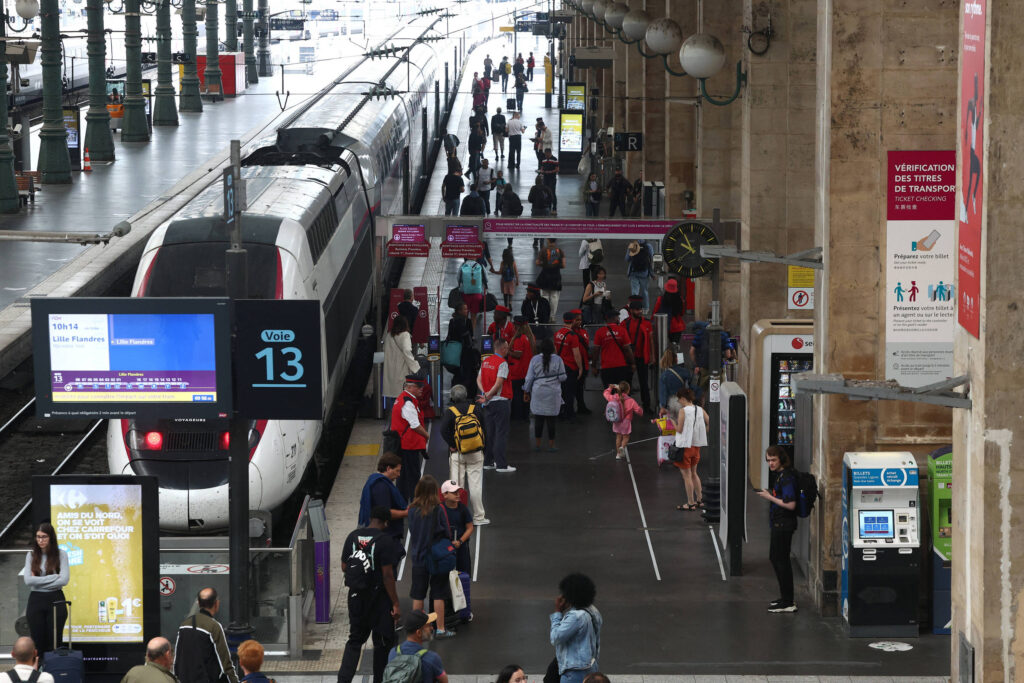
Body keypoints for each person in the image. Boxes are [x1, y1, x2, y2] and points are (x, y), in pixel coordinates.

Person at [338, 507, 402, 683]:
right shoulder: (385, 541)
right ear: (386, 522)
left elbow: (344, 566)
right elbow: (388, 575)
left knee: (354, 642)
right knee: (381, 644)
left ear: (371, 517)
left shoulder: (353, 536)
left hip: (356, 598)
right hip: (379, 600)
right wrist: (395, 603)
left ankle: (343, 681)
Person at [406, 477, 456, 638]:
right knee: (439, 593)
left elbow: (413, 532)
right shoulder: (438, 509)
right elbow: (446, 532)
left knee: (418, 594)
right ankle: (440, 629)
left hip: (418, 557)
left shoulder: (412, 510)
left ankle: (417, 629)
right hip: (436, 557)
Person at [757, 445, 799, 613]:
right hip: (779, 524)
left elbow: (790, 504)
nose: (770, 464)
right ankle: (785, 598)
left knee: (781, 561)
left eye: (773, 460)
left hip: (784, 525)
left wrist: (769, 497)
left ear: (781, 459)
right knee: (777, 559)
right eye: (768, 460)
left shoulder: (786, 478)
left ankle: (788, 601)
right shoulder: (782, 476)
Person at [440, 384, 489, 525]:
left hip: (458, 454)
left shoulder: (451, 412)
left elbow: (443, 430)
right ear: (466, 395)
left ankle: (458, 517)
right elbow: (485, 430)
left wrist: (452, 445)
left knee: (456, 486)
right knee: (475, 486)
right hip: (475, 453)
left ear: (452, 397)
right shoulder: (476, 409)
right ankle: (479, 517)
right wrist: (483, 449)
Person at [174, 587, 238, 683]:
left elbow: (177, 660)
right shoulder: (214, 626)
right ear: (216, 603)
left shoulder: (184, 625)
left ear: (199, 604)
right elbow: (225, 663)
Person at [24, 522, 69, 656]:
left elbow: (64, 580)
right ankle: (39, 673)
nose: (40, 540)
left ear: (51, 538)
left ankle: (54, 673)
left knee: (55, 642)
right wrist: (54, 577)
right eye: (38, 537)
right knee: (37, 642)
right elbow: (28, 581)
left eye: (44, 537)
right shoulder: (31, 555)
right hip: (36, 600)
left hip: (56, 598)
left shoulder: (61, 554)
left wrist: (38, 582)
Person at [550, 573, 602, 683]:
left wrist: (557, 612)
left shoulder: (576, 616)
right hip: (590, 667)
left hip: (574, 673)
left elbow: (555, 638)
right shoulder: (594, 611)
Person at [389, 376, 430, 504]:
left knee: (403, 475)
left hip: (405, 444)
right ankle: (415, 501)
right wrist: (427, 435)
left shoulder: (404, 398)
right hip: (408, 445)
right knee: (413, 475)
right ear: (410, 387)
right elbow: (415, 425)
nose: (422, 390)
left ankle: (402, 500)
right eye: (419, 387)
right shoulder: (407, 402)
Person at [478, 338, 515, 473]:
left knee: (490, 433)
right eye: (506, 348)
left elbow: (479, 379)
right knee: (501, 433)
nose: (508, 350)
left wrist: (485, 394)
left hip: (488, 404)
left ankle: (488, 462)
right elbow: (499, 383)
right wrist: (488, 395)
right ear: (503, 349)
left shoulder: (486, 361)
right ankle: (501, 465)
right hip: (501, 402)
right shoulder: (502, 363)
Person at [523, 337, 567, 451]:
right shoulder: (558, 360)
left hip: (538, 392)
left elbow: (529, 378)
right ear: (553, 348)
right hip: (553, 393)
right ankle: (551, 446)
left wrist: (526, 391)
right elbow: (563, 377)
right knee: (551, 420)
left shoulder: (534, 360)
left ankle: (537, 445)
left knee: (539, 419)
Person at [358, 453, 409, 550]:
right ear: (388, 468)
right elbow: (384, 513)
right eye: (397, 471)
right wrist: (406, 513)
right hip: (384, 537)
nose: (398, 475)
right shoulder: (381, 486)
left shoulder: (373, 481)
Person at [386, 611, 448, 683]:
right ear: (419, 633)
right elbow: (444, 681)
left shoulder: (393, 653)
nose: (432, 628)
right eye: (428, 626)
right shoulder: (432, 658)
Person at [673, 388, 708, 512]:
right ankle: (700, 500)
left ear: (683, 398)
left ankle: (690, 503)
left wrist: (672, 422)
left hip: (685, 448)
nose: (679, 402)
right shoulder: (700, 409)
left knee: (686, 476)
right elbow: (709, 421)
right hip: (696, 447)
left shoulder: (683, 411)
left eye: (679, 399)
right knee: (694, 474)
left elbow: (680, 429)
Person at [622, 299, 653, 414]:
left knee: (644, 383)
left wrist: (652, 357)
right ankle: (626, 405)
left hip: (641, 357)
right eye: (637, 310)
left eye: (640, 309)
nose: (639, 311)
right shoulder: (624, 323)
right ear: (631, 311)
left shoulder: (647, 323)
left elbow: (650, 341)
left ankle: (646, 405)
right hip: (629, 358)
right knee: (626, 383)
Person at [554, 311, 586, 420]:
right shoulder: (573, 336)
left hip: (560, 366)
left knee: (561, 391)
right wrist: (581, 368)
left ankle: (560, 413)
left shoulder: (558, 333)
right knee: (570, 392)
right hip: (570, 367)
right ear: (572, 321)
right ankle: (570, 414)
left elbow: (555, 350)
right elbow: (576, 354)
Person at [591, 309, 635, 386]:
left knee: (610, 394)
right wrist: (632, 363)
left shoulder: (600, 332)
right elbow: (627, 349)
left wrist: (594, 366)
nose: (619, 319)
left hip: (606, 368)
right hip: (621, 367)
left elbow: (596, 350)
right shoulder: (622, 331)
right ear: (613, 318)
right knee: (621, 393)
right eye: (617, 317)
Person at [384, 316, 420, 408]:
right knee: (403, 397)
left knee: (394, 398)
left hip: (390, 371)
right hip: (401, 370)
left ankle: (394, 418)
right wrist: (415, 366)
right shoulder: (405, 335)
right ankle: (402, 420)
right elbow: (407, 351)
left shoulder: (389, 335)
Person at [440, 480, 475, 575]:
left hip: (461, 548)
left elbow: (470, 527)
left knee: (463, 576)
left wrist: (460, 541)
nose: (457, 494)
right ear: (445, 494)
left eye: (458, 492)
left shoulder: (463, 509)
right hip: (445, 548)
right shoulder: (439, 510)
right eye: (454, 492)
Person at [603, 381, 643, 460]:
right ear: (628, 390)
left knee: (618, 437)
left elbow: (605, 394)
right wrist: (641, 411)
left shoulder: (613, 397)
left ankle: (618, 454)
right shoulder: (631, 400)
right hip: (626, 421)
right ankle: (622, 447)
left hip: (617, 420)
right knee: (626, 437)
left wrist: (610, 388)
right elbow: (638, 410)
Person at [507, 315, 535, 420]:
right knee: (526, 393)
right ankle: (525, 415)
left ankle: (517, 416)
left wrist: (507, 351)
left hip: (517, 371)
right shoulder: (530, 337)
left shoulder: (519, 339)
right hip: (527, 371)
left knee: (517, 395)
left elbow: (518, 354)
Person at [446, 302, 478, 390]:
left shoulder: (452, 321)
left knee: (458, 373)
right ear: (459, 311)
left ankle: (456, 392)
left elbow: (449, 336)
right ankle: (467, 392)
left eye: (467, 309)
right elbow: (470, 336)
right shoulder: (467, 322)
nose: (467, 311)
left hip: (455, 352)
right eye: (465, 309)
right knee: (467, 372)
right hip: (465, 352)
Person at [657, 348, 693, 416]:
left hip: (670, 403)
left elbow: (663, 393)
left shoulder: (664, 376)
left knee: (671, 425)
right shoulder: (685, 372)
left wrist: (662, 407)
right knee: (682, 424)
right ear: (676, 359)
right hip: (682, 401)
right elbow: (690, 386)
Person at [650, 278, 685, 342]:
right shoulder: (680, 300)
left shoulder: (660, 299)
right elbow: (682, 313)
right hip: (677, 327)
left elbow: (654, 313)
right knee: (675, 348)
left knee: (663, 348)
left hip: (663, 326)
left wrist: (651, 324)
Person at [536, 238, 565, 314]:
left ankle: (545, 314)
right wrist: (556, 265)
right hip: (556, 276)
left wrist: (545, 264)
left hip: (545, 275)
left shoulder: (543, 250)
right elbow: (563, 265)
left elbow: (537, 262)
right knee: (554, 296)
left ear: (548, 240)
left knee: (544, 296)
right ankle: (552, 316)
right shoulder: (560, 251)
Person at [625, 239, 654, 311]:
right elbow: (651, 259)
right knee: (645, 291)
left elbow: (627, 259)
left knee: (635, 292)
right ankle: (645, 309)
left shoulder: (632, 245)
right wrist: (652, 273)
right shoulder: (648, 246)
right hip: (645, 272)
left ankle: (635, 308)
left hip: (633, 272)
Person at [458, 257, 486, 324]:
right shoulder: (480, 266)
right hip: (477, 294)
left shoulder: (463, 265)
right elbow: (486, 279)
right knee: (474, 316)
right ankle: (472, 333)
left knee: (465, 315)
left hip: (465, 294)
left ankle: (465, 332)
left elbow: (458, 278)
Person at [540, 149, 560, 213]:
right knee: (546, 193)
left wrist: (550, 172)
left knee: (552, 193)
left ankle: (554, 208)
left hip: (552, 179)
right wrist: (542, 171)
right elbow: (542, 167)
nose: (546, 155)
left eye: (546, 154)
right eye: (545, 154)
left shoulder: (554, 159)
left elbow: (557, 169)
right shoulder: (544, 159)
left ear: (549, 153)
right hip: (545, 178)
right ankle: (548, 207)